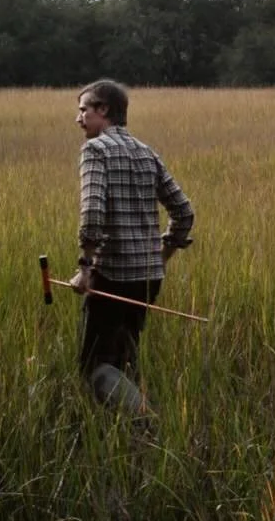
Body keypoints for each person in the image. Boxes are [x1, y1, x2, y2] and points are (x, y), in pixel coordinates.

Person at [70, 78, 194, 411]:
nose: (78, 118)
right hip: (148, 279)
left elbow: (92, 212)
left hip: (111, 276)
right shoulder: (146, 152)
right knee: (125, 357)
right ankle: (132, 437)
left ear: (104, 110)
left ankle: (144, 420)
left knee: (94, 366)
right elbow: (183, 212)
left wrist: (84, 269)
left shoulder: (95, 150)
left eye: (84, 110)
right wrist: (162, 256)